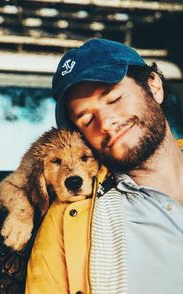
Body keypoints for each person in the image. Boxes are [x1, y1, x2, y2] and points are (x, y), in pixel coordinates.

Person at [25, 38, 183, 294]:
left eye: (114, 99)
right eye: (87, 120)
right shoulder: (66, 220)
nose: (105, 123)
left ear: (154, 86)